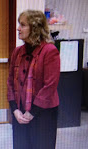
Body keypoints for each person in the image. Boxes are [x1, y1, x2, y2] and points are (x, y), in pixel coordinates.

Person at [7, 10, 60, 149]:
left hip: (43, 114)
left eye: (23, 25)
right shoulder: (17, 52)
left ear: (35, 28)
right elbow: (10, 82)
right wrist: (15, 110)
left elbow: (50, 86)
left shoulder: (49, 51)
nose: (18, 28)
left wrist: (31, 113)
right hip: (20, 112)